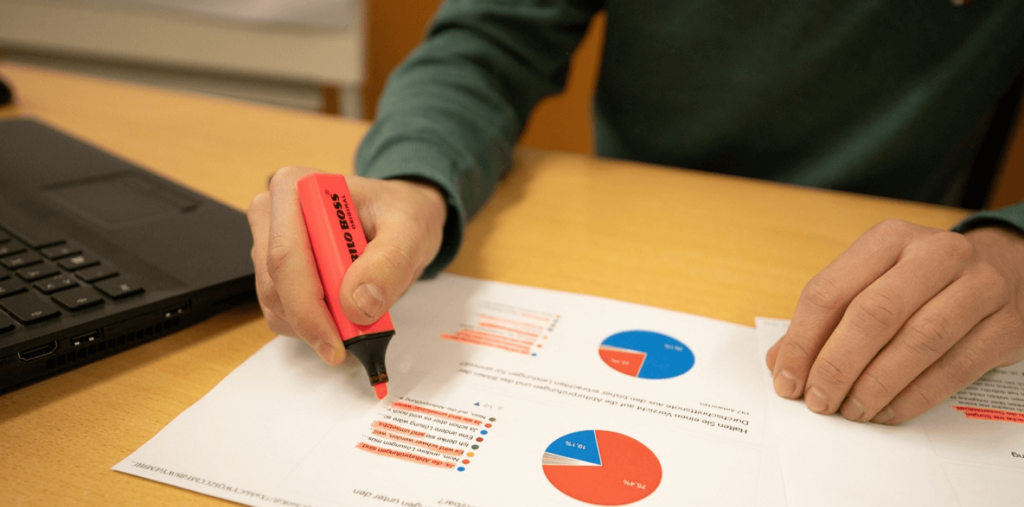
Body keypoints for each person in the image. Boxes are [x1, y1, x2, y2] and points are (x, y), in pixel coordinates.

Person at [246, 1, 1024, 425]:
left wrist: (1013, 245)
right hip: (615, 238)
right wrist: (417, 177)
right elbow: (489, 40)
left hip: (908, 270)